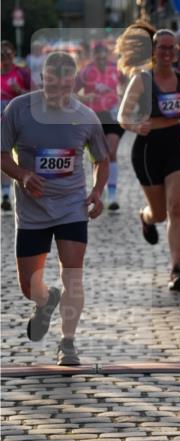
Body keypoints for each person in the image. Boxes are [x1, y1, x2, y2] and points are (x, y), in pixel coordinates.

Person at [0, 51, 109, 365]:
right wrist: (22, 174)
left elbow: (102, 159)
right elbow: (3, 152)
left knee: (73, 275)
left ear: (73, 82)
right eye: (51, 84)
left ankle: (68, 342)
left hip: (71, 207)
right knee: (28, 286)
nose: (58, 92)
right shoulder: (19, 109)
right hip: (32, 210)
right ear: (42, 80)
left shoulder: (86, 116)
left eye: (64, 85)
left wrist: (98, 191)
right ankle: (44, 302)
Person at [117, 26, 180, 292]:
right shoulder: (142, 80)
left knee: (177, 208)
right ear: (153, 51)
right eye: (162, 47)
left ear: (177, 52)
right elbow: (123, 116)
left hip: (175, 145)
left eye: (171, 48)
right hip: (146, 149)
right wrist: (136, 126)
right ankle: (145, 218)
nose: (167, 52)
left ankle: (176, 269)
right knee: (159, 213)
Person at [75, 42, 123, 210]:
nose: (101, 58)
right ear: (94, 56)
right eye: (98, 55)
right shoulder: (86, 72)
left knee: (111, 152)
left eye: (104, 55)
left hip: (113, 115)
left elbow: (129, 85)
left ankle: (112, 194)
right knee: (99, 155)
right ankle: (98, 188)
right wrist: (83, 99)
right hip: (94, 117)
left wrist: (124, 98)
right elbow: (71, 92)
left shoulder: (116, 69)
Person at [1, 41, 31, 211]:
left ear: (13, 55)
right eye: (1, 56)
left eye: (7, 55)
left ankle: (24, 187)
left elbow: (36, 95)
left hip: (19, 121)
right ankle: (5, 194)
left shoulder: (22, 73)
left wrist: (19, 91)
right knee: (3, 155)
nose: (4, 59)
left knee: (19, 157)